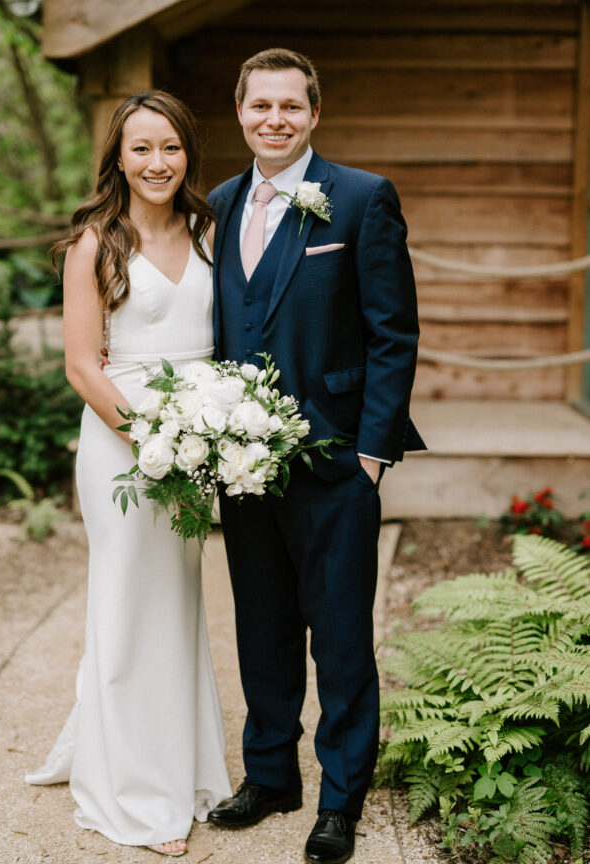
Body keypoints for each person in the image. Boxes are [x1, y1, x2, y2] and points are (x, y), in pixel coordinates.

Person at [205, 49, 425, 864]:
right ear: (240, 112)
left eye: (290, 107)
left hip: (336, 464)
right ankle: (269, 777)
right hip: (240, 465)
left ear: (313, 114)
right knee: (260, 628)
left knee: (338, 637)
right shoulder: (218, 205)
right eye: (260, 105)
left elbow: (392, 334)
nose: (274, 119)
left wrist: (371, 455)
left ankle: (339, 798)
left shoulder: (362, 199)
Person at [25, 91, 231, 857]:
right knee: (124, 602)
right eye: (141, 148)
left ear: (188, 154)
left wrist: (210, 431)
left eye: (170, 147)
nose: (157, 163)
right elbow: (81, 366)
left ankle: (182, 766)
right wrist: (152, 441)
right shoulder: (95, 243)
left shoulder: (211, 232)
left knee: (175, 604)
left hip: (198, 438)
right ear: (118, 156)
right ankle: (136, 796)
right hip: (123, 445)